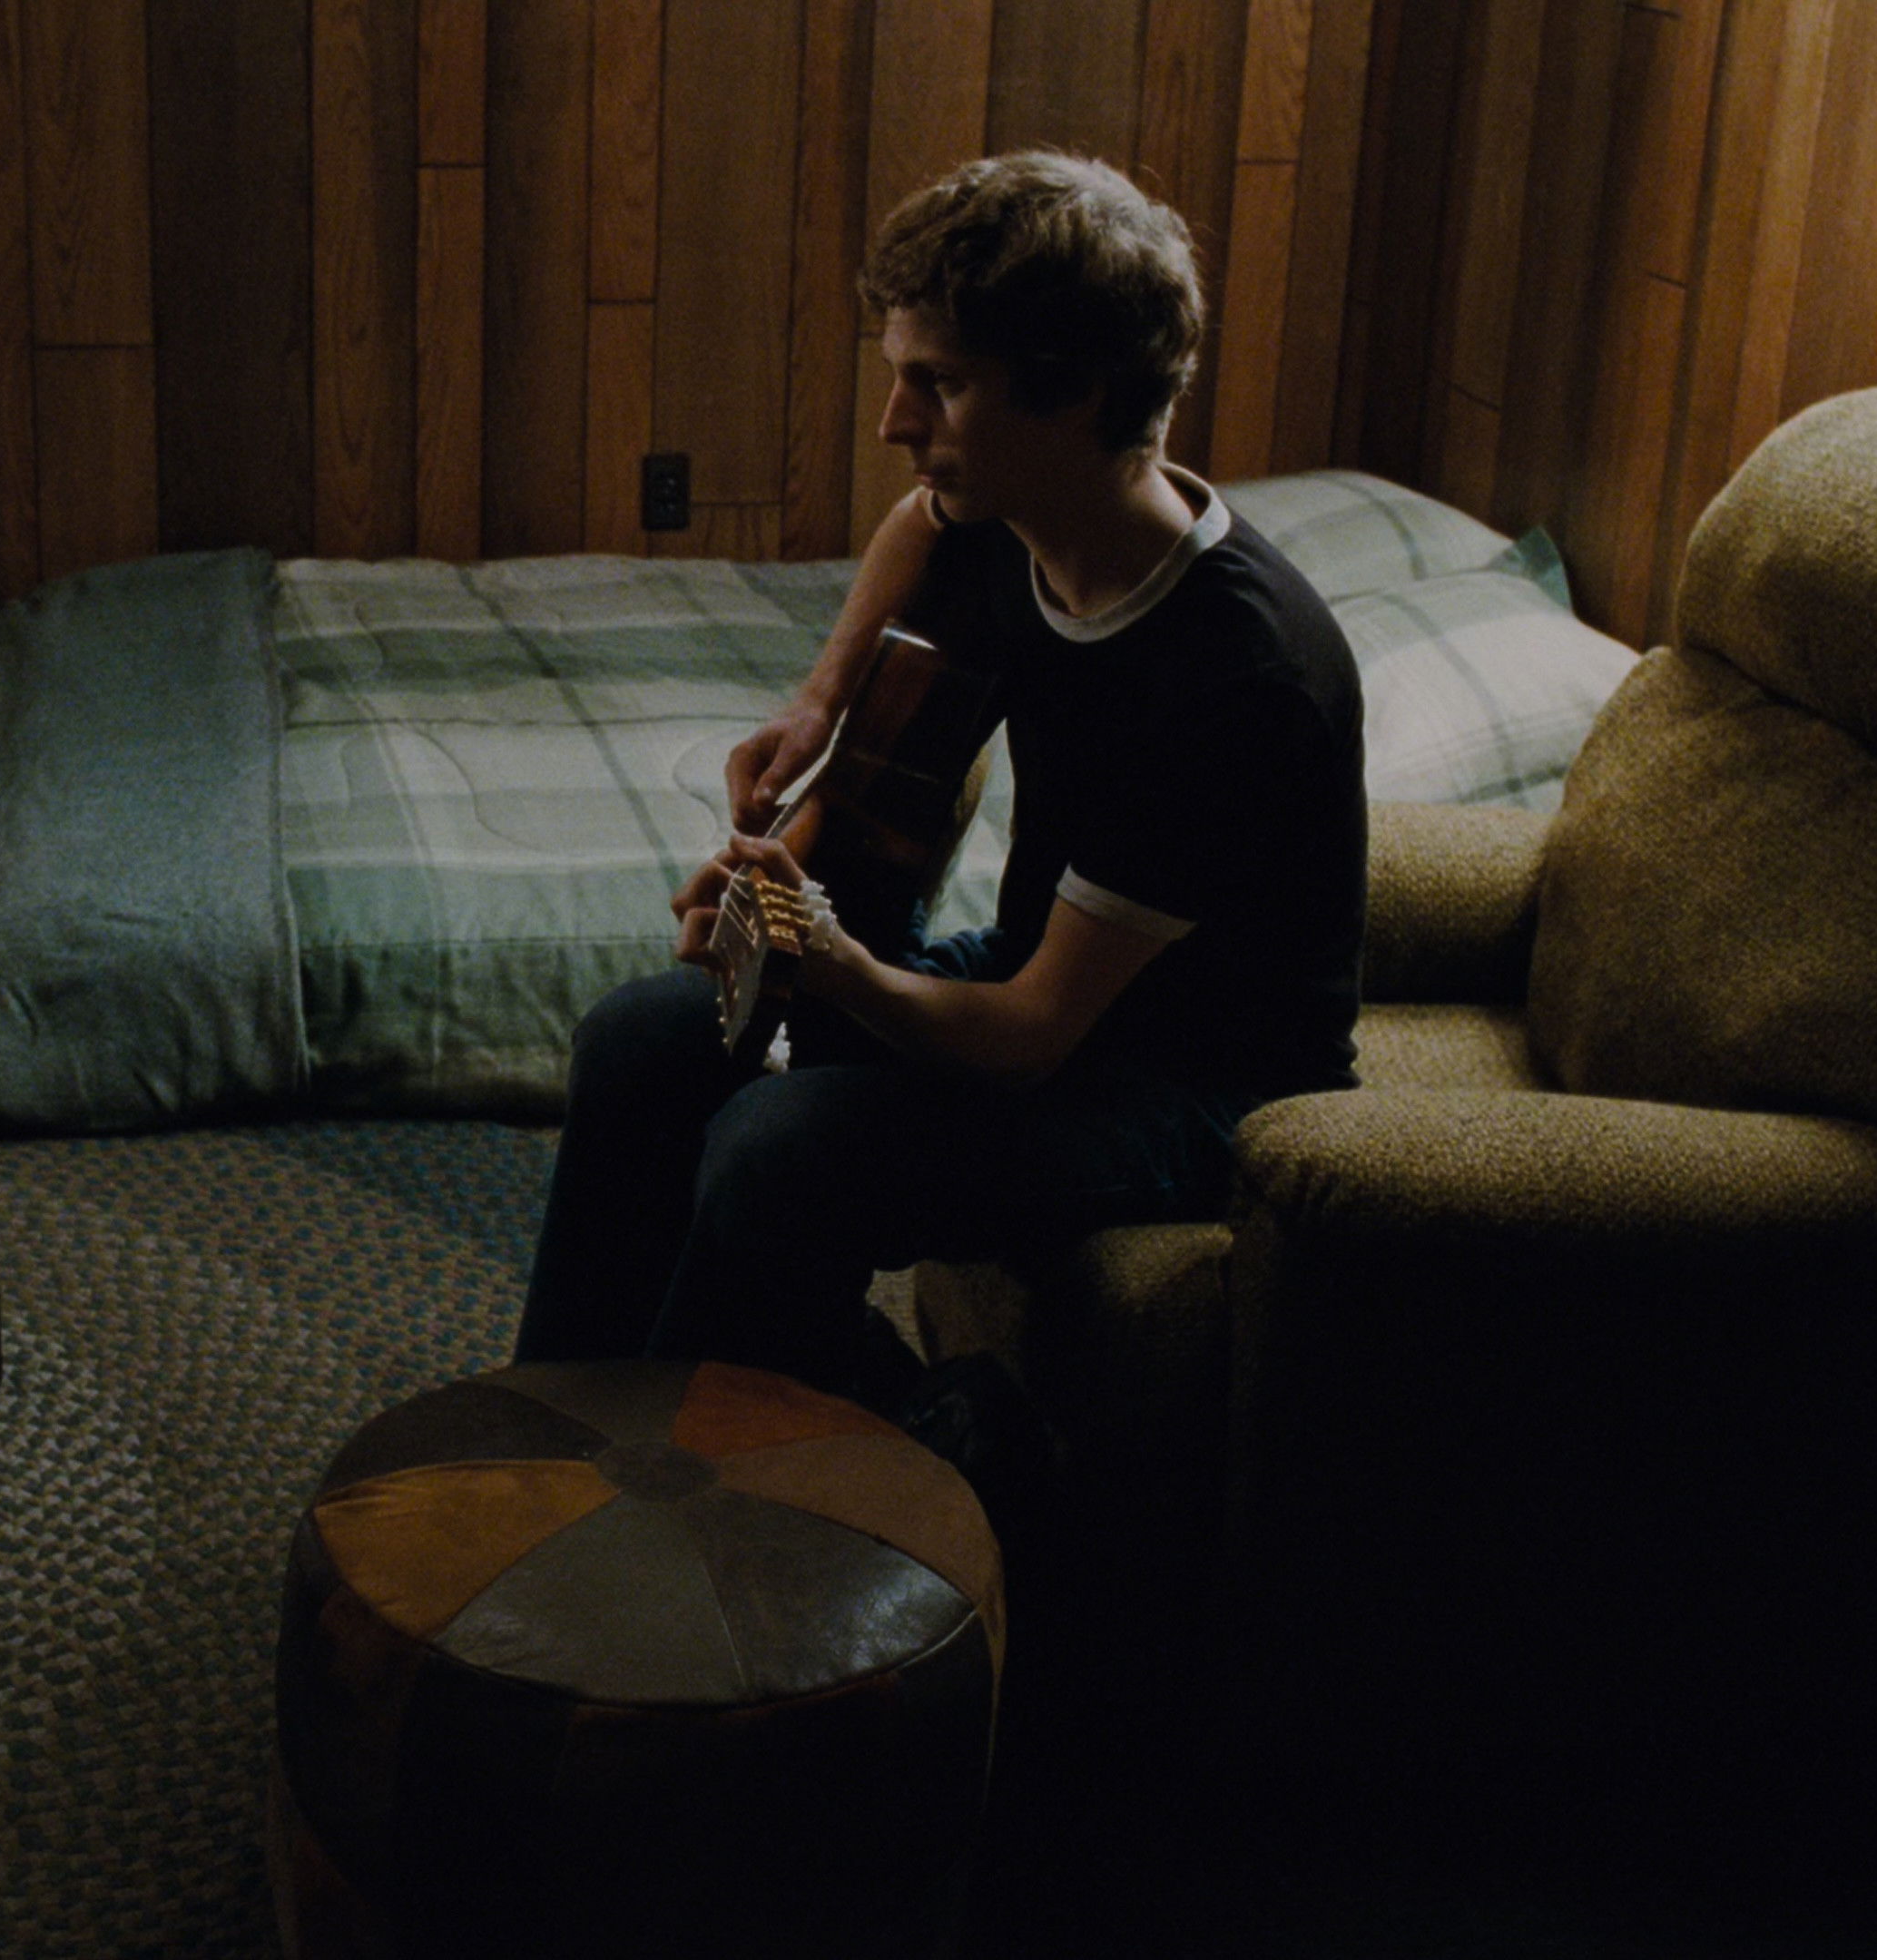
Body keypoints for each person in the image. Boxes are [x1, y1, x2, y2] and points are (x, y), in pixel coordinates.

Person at [514, 152, 1366, 1465]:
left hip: (1192, 1081)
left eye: (941, 385)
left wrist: (832, 963)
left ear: (1077, 394)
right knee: (643, 1038)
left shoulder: (1232, 680)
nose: (894, 424)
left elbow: (1027, 1040)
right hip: (1046, 979)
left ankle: (691, 1486)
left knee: (781, 1147)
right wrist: (822, 699)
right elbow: (921, 524)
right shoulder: (1024, 510)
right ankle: (543, 1440)